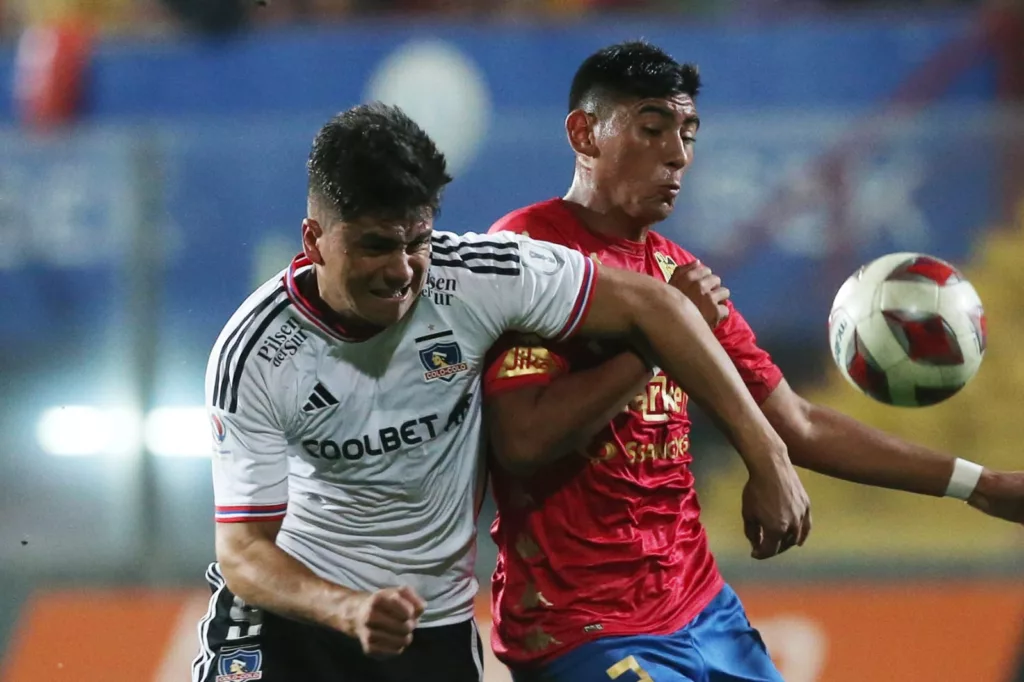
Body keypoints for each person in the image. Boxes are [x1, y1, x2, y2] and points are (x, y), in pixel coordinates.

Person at [190, 102, 812, 682]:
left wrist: (768, 455)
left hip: (429, 626)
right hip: (291, 618)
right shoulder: (257, 352)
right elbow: (245, 551)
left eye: (416, 242)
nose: (402, 270)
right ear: (315, 241)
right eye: (375, 245)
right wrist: (346, 608)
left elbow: (661, 309)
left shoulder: (475, 278)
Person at [482, 41, 1024, 682]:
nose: (677, 154)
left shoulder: (676, 272)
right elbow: (522, 439)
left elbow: (799, 423)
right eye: (652, 128)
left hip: (701, 607)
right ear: (584, 132)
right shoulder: (530, 253)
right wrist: (662, 337)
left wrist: (979, 483)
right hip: (582, 626)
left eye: (687, 133)